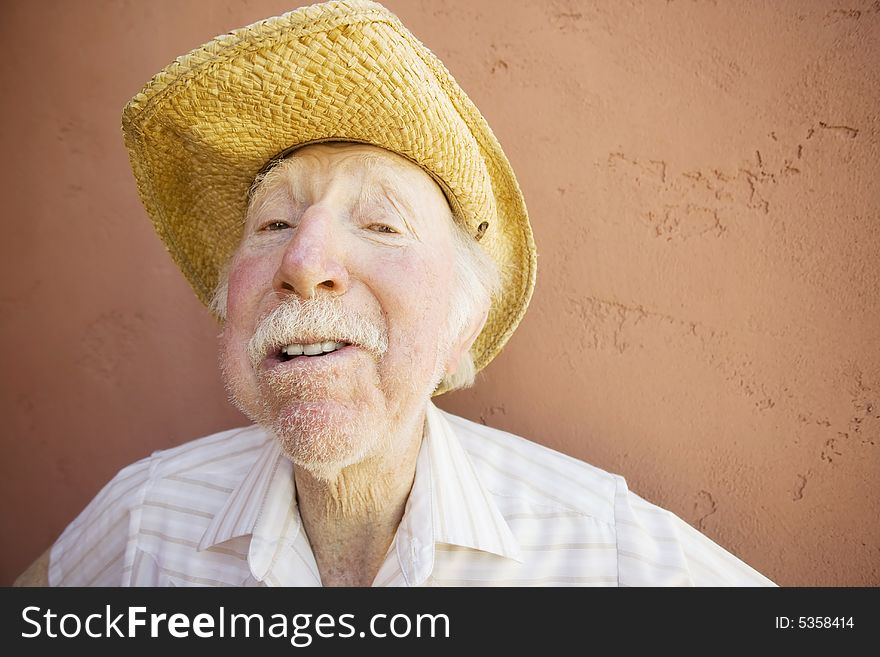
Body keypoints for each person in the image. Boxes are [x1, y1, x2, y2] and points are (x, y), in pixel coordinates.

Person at [15, 0, 773, 587]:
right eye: (273, 221)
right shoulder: (146, 519)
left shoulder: (596, 548)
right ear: (227, 305)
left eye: (380, 224)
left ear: (461, 319)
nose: (305, 261)